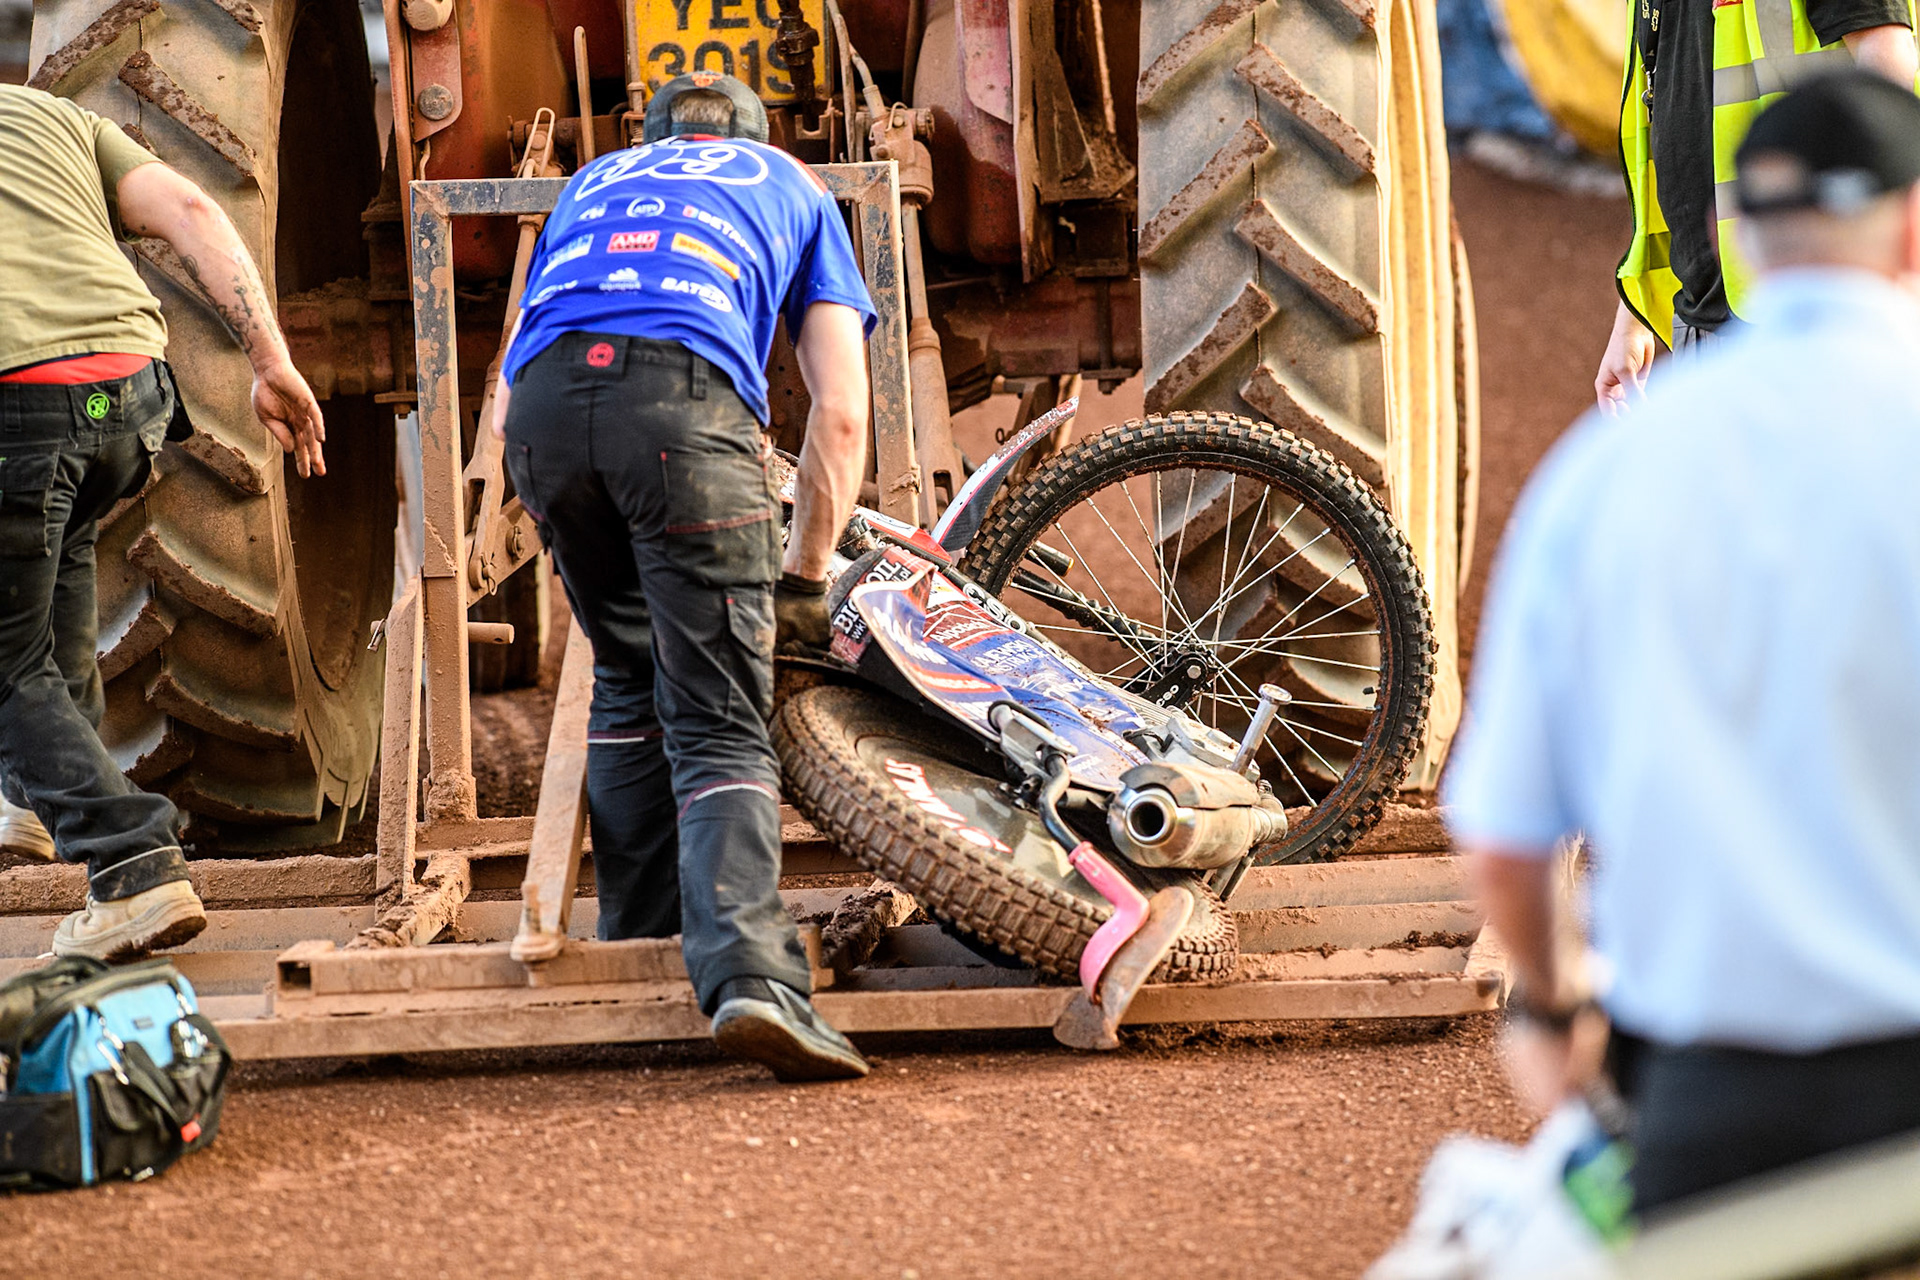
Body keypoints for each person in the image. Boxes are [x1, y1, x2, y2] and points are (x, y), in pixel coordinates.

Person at [1448, 71, 1920, 1216]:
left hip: (1714, 1118)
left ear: (1743, 235)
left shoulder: (1608, 472)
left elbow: (1504, 837)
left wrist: (1557, 1014)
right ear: (1913, 226)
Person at [490, 73, 875, 1083]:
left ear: (651, 137)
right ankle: (752, 976)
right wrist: (802, 576)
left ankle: (639, 943)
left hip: (541, 423)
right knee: (719, 711)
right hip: (680, 419)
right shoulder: (788, 180)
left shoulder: (595, 178)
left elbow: (507, 388)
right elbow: (837, 412)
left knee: (628, 669)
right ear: (748, 135)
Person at [0, 84, 326, 960]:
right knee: (54, 603)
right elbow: (189, 207)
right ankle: (28, 806)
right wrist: (269, 360)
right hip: (126, 398)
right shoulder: (50, 118)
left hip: (16, 404)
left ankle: (134, 864)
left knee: (5, 663)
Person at [1594, 0, 1915, 411]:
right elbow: (1671, 127)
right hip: (1708, 314)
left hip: (1812, 324)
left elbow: (1889, 71)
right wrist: (1633, 312)